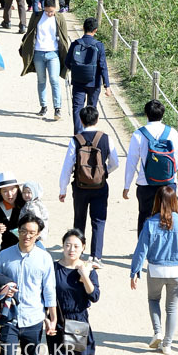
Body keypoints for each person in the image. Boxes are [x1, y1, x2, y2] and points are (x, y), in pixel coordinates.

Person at [0, 213, 56, 355]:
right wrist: (2, 291)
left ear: (38, 235)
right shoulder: (4, 256)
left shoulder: (44, 258)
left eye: (32, 233)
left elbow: (49, 290)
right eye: (23, 231)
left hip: (34, 319)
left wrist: (52, 317)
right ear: (17, 232)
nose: (27, 236)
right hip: (9, 319)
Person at [130, 186, 178, 355]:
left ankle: (157, 332)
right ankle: (167, 344)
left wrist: (135, 272)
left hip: (155, 270)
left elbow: (141, 250)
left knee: (153, 300)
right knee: (172, 308)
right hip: (176, 272)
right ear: (175, 201)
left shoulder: (150, 223)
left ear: (157, 201)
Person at [46, 229, 99, 355]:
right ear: (62, 246)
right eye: (68, 245)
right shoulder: (52, 268)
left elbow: (94, 296)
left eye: (76, 246)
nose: (71, 249)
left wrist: (84, 274)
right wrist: (47, 318)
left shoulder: (87, 269)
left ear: (83, 248)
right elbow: (44, 293)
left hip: (77, 319)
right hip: (56, 318)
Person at [59, 105, 119, 266]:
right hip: (100, 186)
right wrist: (103, 173)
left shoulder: (75, 140)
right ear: (97, 119)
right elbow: (115, 163)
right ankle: (96, 257)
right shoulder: (106, 138)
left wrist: (62, 189)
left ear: (81, 120)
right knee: (99, 220)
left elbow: (67, 167)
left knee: (79, 219)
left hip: (80, 186)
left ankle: (77, 253)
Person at [123, 99, 178, 236]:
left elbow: (132, 161)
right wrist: (168, 173)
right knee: (168, 216)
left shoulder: (139, 134)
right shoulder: (172, 132)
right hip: (168, 183)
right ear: (162, 114)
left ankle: (142, 251)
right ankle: (164, 250)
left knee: (144, 216)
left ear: (146, 114)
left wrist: (127, 186)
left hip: (145, 183)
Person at [20, 0, 70, 120]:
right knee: (41, 80)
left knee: (54, 80)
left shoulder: (59, 18)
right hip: (38, 53)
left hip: (53, 53)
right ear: (43, 8)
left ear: (55, 9)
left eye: (52, 11)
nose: (49, 13)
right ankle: (43, 106)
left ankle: (57, 108)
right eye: (47, 11)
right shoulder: (36, 16)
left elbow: (64, 37)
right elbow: (30, 32)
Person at [65, 18, 111, 134]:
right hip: (94, 82)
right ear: (95, 30)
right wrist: (107, 85)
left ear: (83, 28)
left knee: (77, 108)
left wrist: (77, 70)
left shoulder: (75, 44)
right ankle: (89, 133)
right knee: (92, 108)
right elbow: (103, 66)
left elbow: (67, 62)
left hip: (78, 81)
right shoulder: (99, 45)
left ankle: (78, 135)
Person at [0, 172, 24, 251]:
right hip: (8, 247)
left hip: (30, 246)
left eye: (12, 189)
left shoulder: (26, 203)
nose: (9, 194)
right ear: (0, 192)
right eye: (5, 191)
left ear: (17, 188)